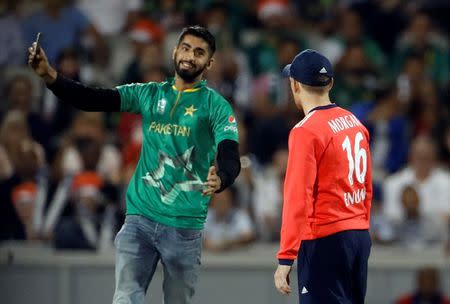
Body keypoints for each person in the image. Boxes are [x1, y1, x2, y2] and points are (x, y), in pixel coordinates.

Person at [28, 25, 241, 304]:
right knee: (126, 297)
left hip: (184, 225)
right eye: (186, 48)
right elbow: (92, 99)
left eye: (199, 53)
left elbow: (230, 152)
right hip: (139, 217)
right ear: (175, 51)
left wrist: (222, 177)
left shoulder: (216, 106)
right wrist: (50, 76)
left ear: (209, 63)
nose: (190, 56)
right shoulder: (148, 94)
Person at [273, 49, 373, 304]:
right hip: (358, 235)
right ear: (330, 83)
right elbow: (367, 187)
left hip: (324, 239)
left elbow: (297, 197)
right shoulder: (354, 122)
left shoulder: (306, 131)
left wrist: (286, 257)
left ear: (294, 85)